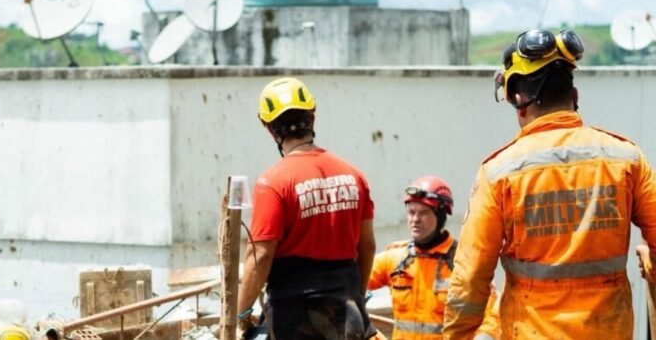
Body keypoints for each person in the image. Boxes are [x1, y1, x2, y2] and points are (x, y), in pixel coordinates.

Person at [443, 29, 656, 339]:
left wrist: (456, 336)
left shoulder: (499, 172)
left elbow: (470, 276)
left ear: (519, 99)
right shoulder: (626, 158)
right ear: (575, 97)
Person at [237, 76, 377, 340]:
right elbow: (367, 246)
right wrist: (356, 296)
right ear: (312, 117)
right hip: (349, 314)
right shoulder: (354, 175)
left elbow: (261, 256)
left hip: (297, 320)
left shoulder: (274, 181)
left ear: (269, 128)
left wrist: (241, 314)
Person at [368, 176, 500, 340]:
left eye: (423, 213)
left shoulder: (462, 264)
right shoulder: (395, 260)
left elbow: (492, 312)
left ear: (441, 215)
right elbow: (352, 282)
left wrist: (483, 337)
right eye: (411, 212)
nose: (415, 220)